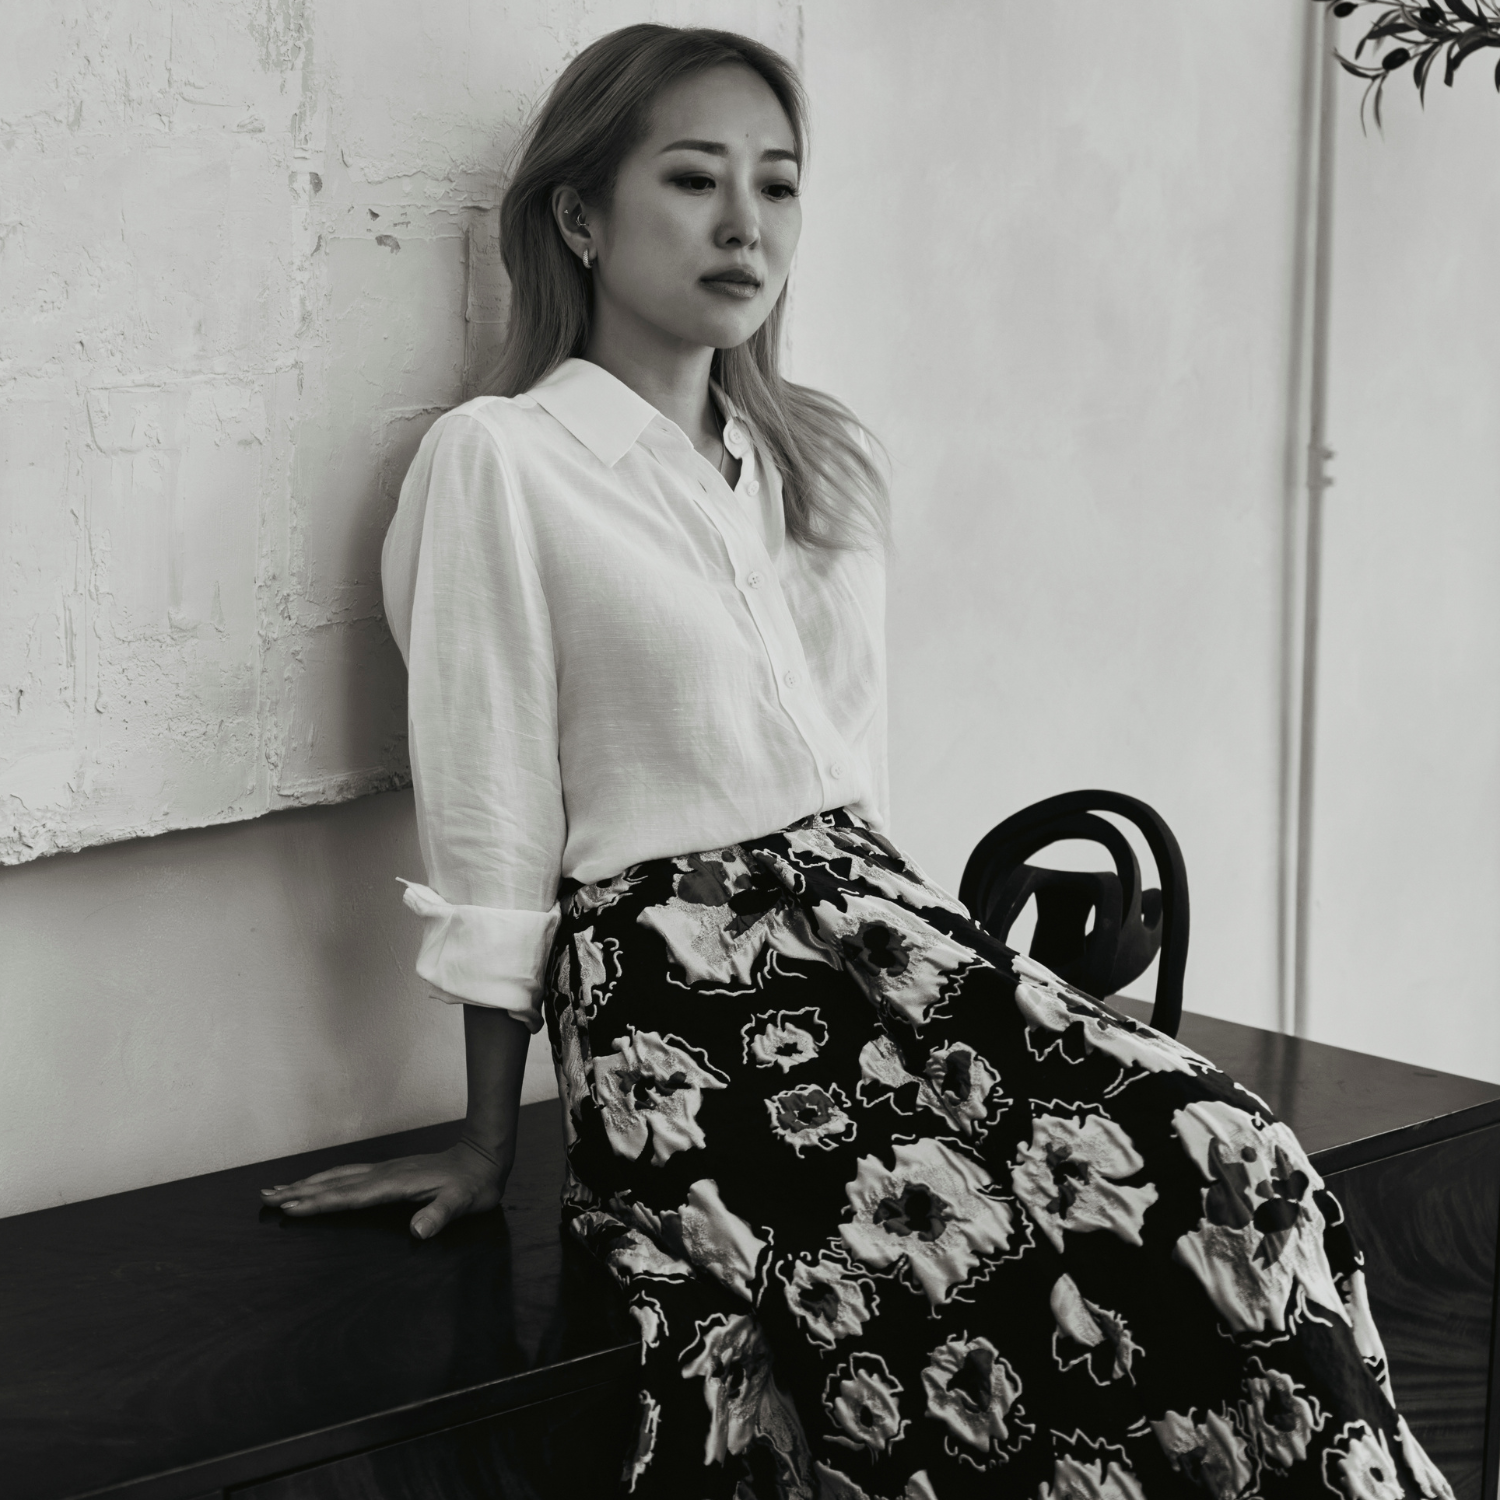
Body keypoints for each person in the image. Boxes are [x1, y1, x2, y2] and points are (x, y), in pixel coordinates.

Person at [260, 24, 1454, 1500]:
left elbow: (857, 786)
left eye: (778, 185)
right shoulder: (501, 461)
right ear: (579, 214)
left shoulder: (818, 460)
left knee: (1234, 1165)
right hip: (673, 991)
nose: (744, 224)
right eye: (694, 180)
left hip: (879, 937)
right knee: (936, 1295)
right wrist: (488, 1149)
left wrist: (951, 1006)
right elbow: (493, 824)